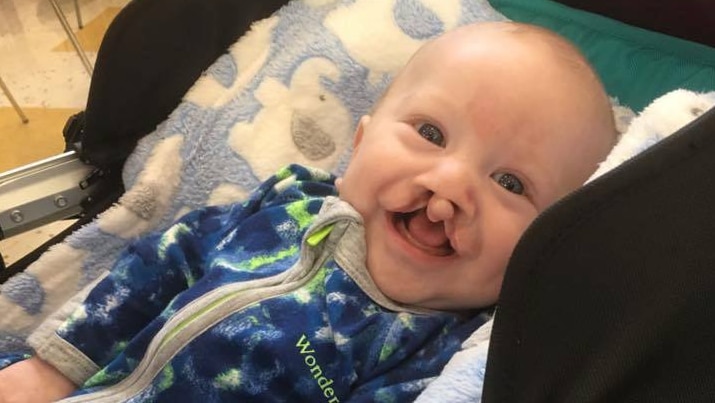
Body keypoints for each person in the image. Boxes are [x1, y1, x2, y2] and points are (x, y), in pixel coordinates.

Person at [0, 21, 616, 402]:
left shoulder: (435, 351)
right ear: (360, 143)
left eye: (510, 180)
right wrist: (56, 367)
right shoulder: (291, 201)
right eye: (430, 131)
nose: (449, 183)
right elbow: (168, 258)